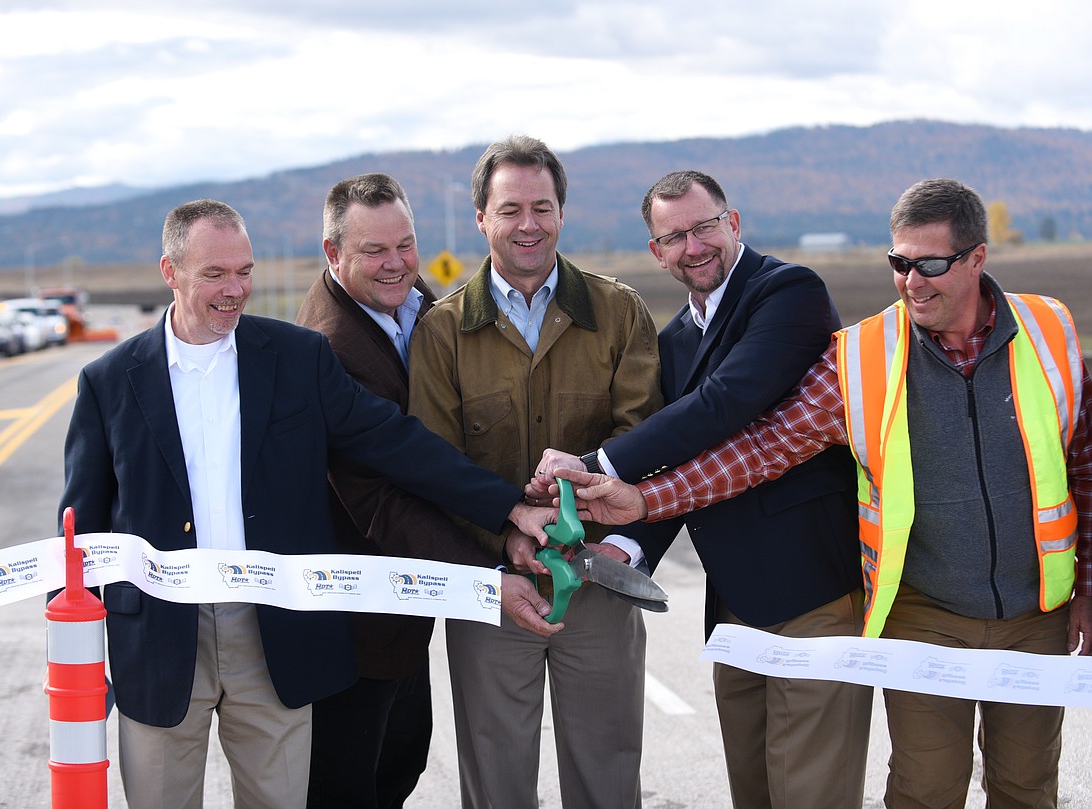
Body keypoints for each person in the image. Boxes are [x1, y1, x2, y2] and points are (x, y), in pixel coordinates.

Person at [560, 178, 1092, 809]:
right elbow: (762, 450)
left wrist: (1086, 587)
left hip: (1037, 612)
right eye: (899, 264)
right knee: (925, 791)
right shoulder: (864, 355)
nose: (912, 281)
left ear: (978, 257)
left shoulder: (1049, 332)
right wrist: (646, 504)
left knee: (1028, 787)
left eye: (930, 264)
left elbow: (1083, 465)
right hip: (922, 609)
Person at [59, 198, 557, 809]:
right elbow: (76, 535)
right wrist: (76, 657)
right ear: (171, 272)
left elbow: (396, 444)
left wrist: (508, 507)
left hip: (274, 635)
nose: (234, 289)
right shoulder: (109, 382)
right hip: (159, 642)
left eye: (244, 271)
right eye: (214, 274)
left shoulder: (298, 359)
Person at [529, 169, 871, 808]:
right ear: (657, 253)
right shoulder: (675, 342)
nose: (695, 246)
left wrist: (598, 462)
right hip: (736, 602)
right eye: (675, 236)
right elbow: (676, 463)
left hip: (812, 595)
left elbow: (727, 404)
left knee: (813, 791)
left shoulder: (787, 294)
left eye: (705, 226)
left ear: (733, 223)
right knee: (754, 789)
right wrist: (625, 548)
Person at [407, 135, 663, 809]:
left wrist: (587, 502)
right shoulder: (440, 332)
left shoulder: (619, 313)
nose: (528, 224)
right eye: (511, 208)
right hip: (493, 590)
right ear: (482, 219)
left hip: (598, 585)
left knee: (607, 771)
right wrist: (502, 546)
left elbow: (644, 436)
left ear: (561, 212)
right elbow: (434, 466)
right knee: (495, 777)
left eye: (542, 207)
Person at [294, 173, 559, 809]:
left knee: (405, 757)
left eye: (405, 245)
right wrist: (492, 564)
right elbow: (382, 496)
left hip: (408, 603)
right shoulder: (330, 347)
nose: (396, 265)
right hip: (358, 611)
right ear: (333, 255)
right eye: (373, 252)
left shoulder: (417, 302)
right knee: (353, 780)